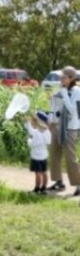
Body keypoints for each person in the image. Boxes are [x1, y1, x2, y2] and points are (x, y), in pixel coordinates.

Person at [47, 66, 80, 195]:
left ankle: (78, 184)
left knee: (70, 157)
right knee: (54, 155)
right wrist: (50, 120)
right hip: (57, 125)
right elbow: (55, 106)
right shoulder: (60, 89)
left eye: (63, 77)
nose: (61, 78)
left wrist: (65, 93)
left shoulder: (77, 92)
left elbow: (73, 111)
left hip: (70, 127)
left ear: (71, 78)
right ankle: (58, 182)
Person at [26, 111, 51, 194]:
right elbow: (31, 130)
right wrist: (27, 123)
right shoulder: (47, 131)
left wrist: (28, 140)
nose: (32, 121)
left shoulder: (37, 133)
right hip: (44, 156)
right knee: (44, 172)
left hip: (36, 157)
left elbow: (33, 144)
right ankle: (44, 188)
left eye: (33, 120)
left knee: (38, 174)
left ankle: (37, 189)